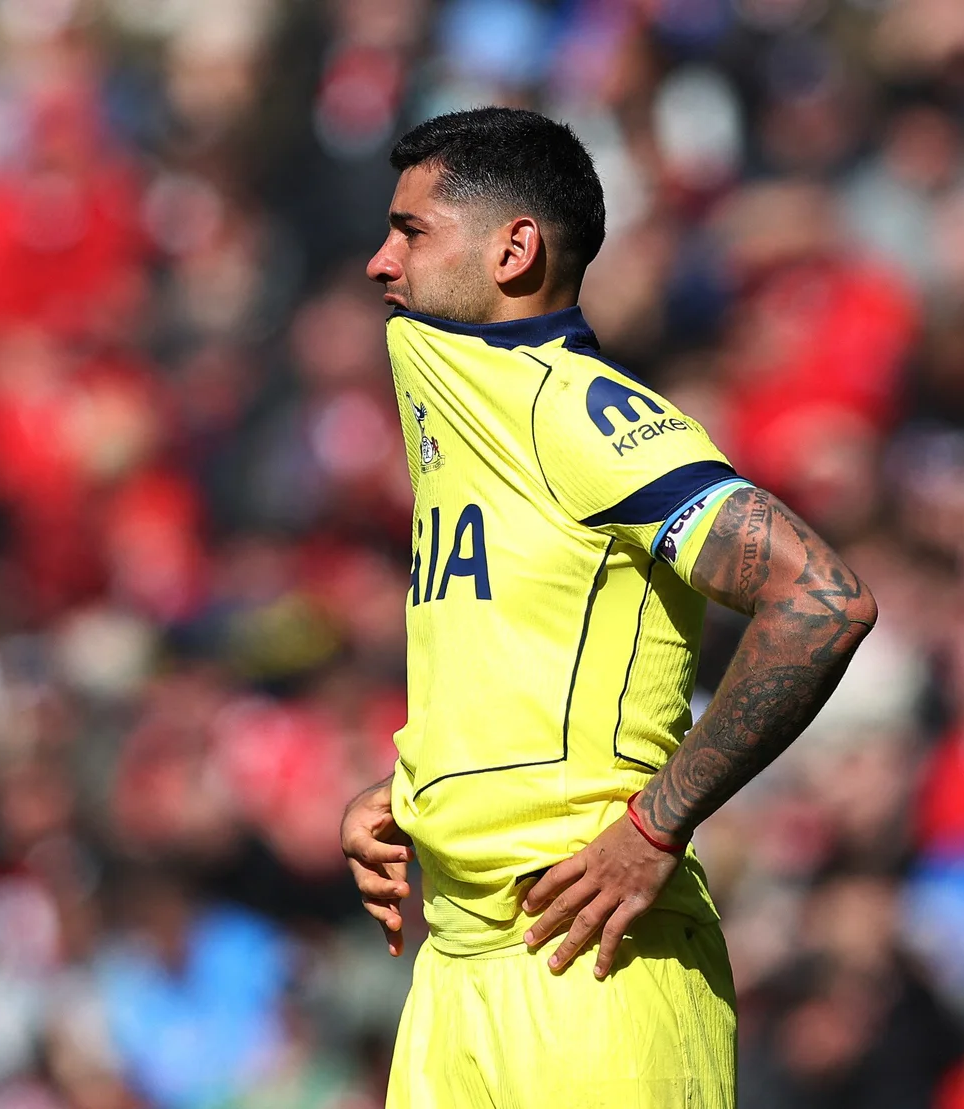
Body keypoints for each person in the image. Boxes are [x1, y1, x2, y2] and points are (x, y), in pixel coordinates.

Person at [340, 107, 877, 1108]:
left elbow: (822, 598)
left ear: (514, 250)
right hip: (451, 973)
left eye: (411, 232)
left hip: (591, 962)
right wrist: (417, 787)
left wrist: (655, 825)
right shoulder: (464, 414)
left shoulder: (581, 412)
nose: (380, 262)